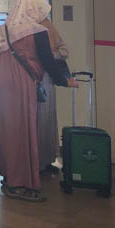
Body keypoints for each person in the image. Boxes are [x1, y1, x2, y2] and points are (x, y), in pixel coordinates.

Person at [0, 0, 76, 203]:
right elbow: (47, 61)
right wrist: (64, 81)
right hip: (19, 82)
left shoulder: (4, 29)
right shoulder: (37, 31)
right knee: (21, 131)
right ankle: (20, 184)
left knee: (6, 129)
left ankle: (8, 175)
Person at [37, 18, 71, 175]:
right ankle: (42, 161)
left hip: (44, 79)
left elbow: (62, 51)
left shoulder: (44, 25)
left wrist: (51, 55)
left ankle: (44, 160)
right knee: (43, 119)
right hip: (40, 79)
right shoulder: (37, 25)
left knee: (44, 119)